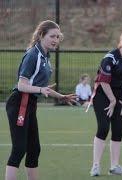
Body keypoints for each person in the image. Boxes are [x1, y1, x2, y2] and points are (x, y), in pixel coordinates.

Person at [5, 20, 76, 180]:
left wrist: (61, 97)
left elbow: (43, 88)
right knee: (19, 149)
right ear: (41, 35)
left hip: (30, 103)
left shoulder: (45, 57)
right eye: (52, 36)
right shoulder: (33, 55)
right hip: (20, 103)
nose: (56, 40)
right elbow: (22, 86)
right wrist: (40, 90)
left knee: (34, 149)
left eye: (58, 37)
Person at [89, 29, 122, 176]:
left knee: (118, 130)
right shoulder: (111, 57)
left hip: (119, 96)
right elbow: (103, 81)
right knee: (104, 127)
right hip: (103, 95)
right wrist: (112, 100)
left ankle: (114, 166)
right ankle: (96, 165)